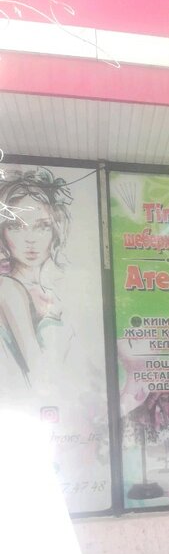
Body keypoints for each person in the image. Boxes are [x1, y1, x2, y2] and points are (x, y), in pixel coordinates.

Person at [0, 167, 73, 389]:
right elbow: (41, 381)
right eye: (16, 226)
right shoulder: (8, 288)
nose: (30, 239)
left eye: (42, 226)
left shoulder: (47, 290)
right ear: (3, 232)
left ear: (56, 230)